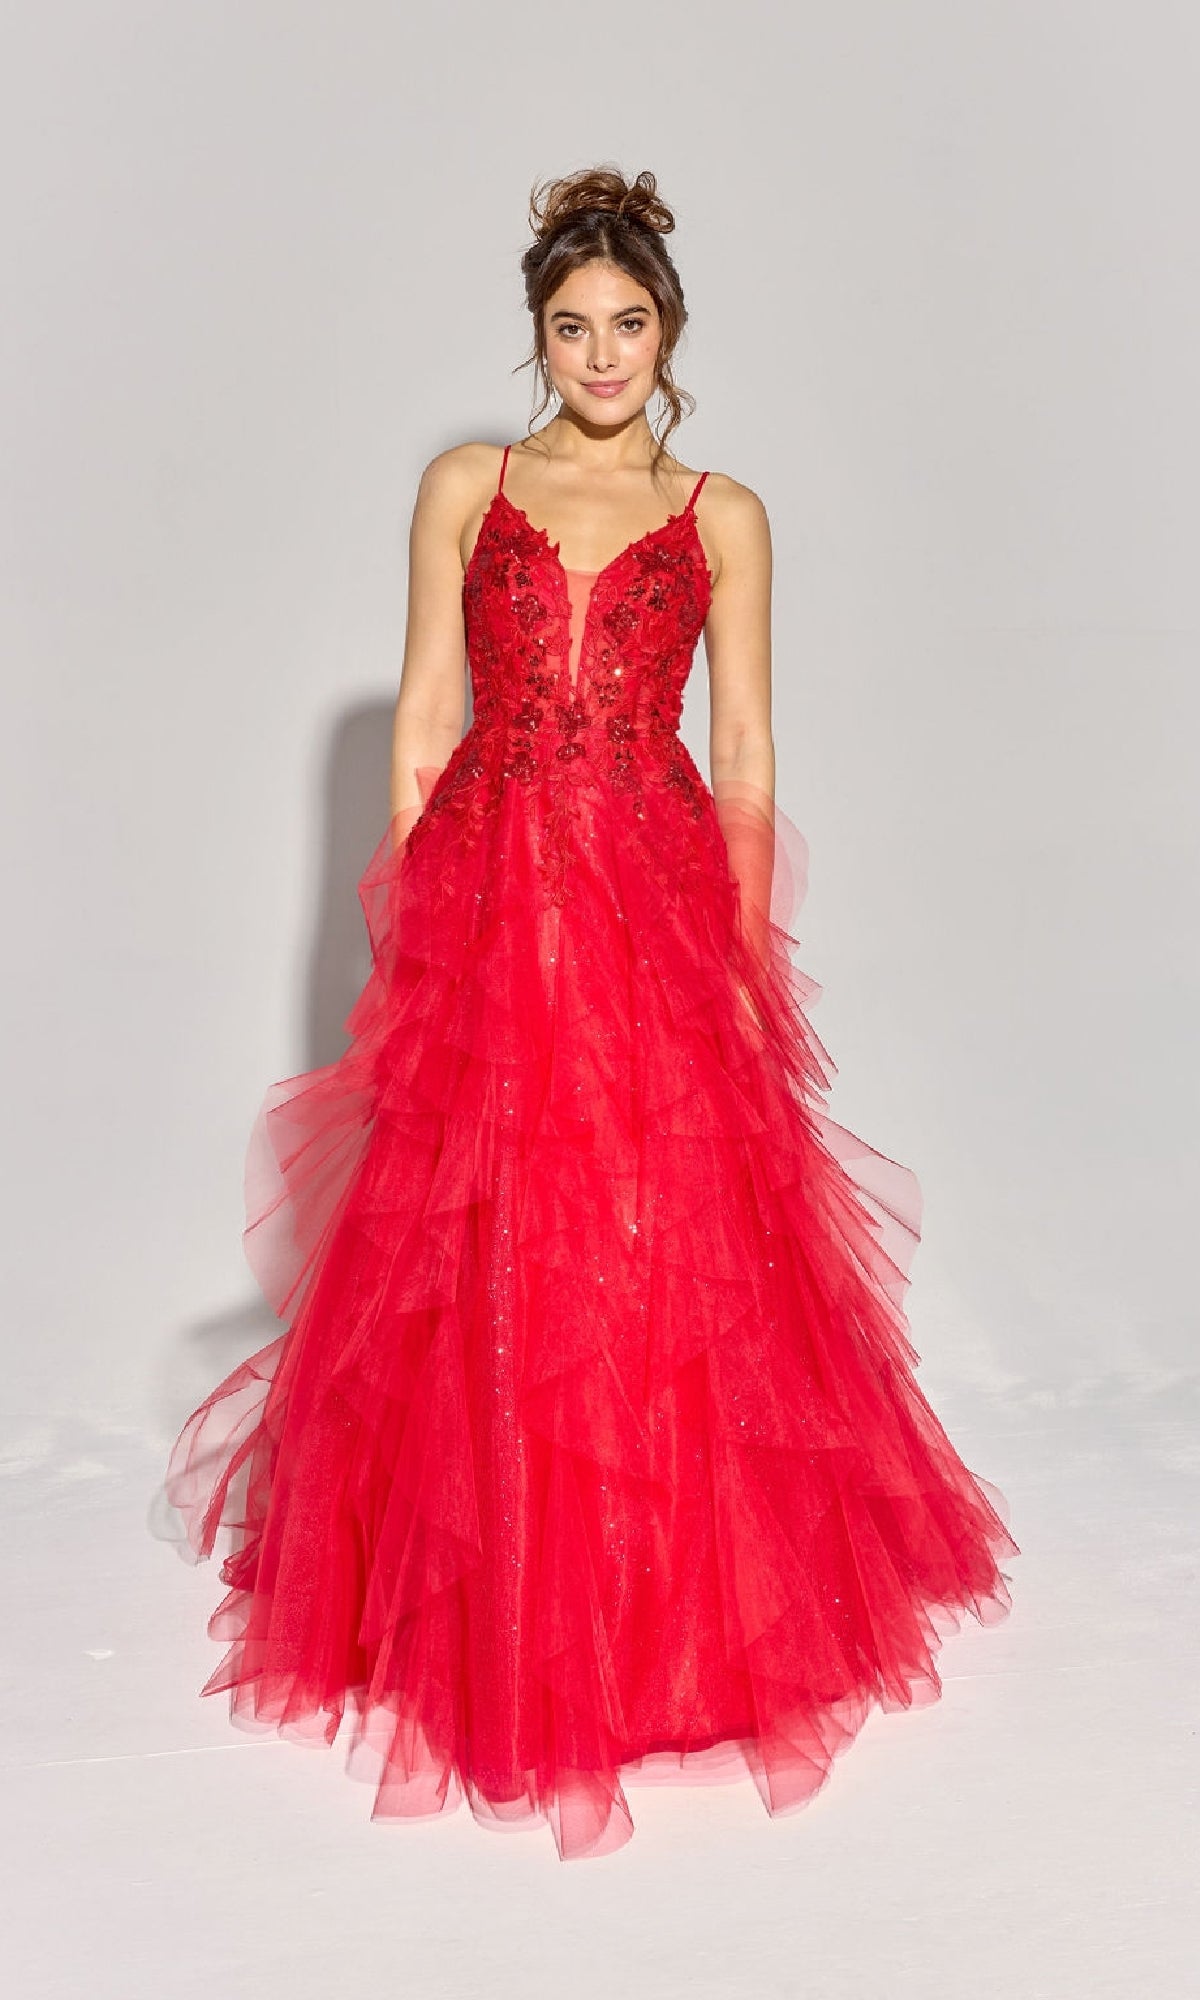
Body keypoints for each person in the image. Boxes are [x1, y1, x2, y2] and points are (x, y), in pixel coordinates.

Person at [164, 165, 1019, 1862]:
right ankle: (490, 1609)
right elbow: (424, 719)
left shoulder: (723, 515)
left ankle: (658, 1618)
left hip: (650, 891)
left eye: (630, 324)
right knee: (489, 1230)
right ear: (538, 336)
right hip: (492, 889)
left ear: (670, 332)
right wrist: (413, 928)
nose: (604, 353)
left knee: (657, 1228)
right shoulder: (466, 485)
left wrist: (744, 952)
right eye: (573, 327)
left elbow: (747, 746)